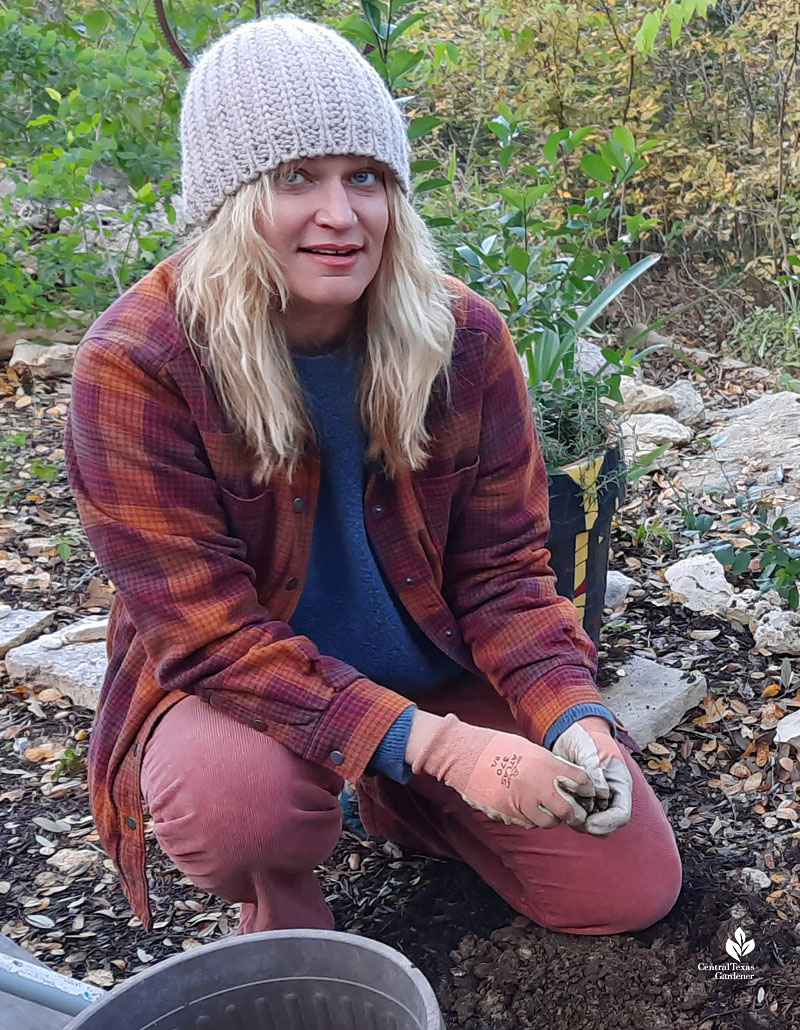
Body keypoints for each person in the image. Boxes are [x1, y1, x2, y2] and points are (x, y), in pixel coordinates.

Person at [63, 13, 682, 938]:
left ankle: (403, 796)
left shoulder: (460, 337)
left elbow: (507, 573)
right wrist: (444, 747)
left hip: (434, 664)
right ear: (229, 200)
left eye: (366, 177)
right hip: (250, 693)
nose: (341, 215)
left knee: (626, 892)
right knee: (239, 812)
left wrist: (572, 717)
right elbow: (209, 636)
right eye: (295, 178)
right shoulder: (139, 364)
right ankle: (287, 916)